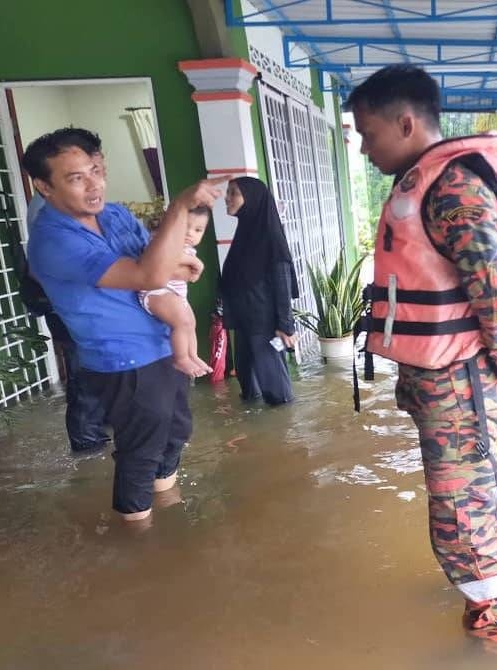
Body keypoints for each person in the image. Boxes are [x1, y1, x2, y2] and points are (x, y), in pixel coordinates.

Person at [348, 65, 497, 643]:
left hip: (462, 375)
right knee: (476, 486)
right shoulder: (438, 180)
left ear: (406, 123)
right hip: (453, 373)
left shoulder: (451, 186)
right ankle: (493, 584)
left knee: (461, 502)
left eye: (368, 133)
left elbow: (493, 282)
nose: (363, 147)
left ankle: (496, 626)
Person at [24, 126, 225, 522]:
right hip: (123, 360)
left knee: (175, 432)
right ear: (44, 187)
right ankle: (135, 540)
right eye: (76, 177)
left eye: (97, 169)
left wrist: (178, 265)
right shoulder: (52, 241)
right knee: (141, 448)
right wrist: (180, 208)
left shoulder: (113, 214)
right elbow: (149, 275)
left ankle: (166, 504)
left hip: (163, 344)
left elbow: (158, 261)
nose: (94, 185)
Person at [11, 143, 110, 455]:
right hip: (65, 305)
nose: (96, 178)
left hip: (80, 303)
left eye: (96, 169)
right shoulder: (49, 212)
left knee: (92, 367)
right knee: (82, 369)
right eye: (81, 174)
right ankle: (86, 441)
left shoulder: (69, 207)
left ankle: (97, 429)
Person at [220, 177, 298, 406]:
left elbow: (281, 281)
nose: (227, 198)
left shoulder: (270, 237)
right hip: (244, 322)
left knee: (277, 396)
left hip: (264, 326)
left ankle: (283, 435)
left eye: (233, 193)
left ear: (251, 199)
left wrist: (285, 325)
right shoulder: (245, 235)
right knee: (248, 391)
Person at [137, 206, 213, 378]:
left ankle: (192, 355)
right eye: (185, 227)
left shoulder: (187, 248)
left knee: (191, 323)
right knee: (181, 322)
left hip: (176, 294)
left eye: (198, 230)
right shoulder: (162, 241)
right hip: (156, 291)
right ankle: (181, 358)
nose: (190, 233)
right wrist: (197, 264)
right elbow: (167, 257)